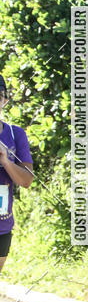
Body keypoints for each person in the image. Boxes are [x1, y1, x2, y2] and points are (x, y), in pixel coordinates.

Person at [0, 74, 34, 273]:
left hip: (2, 225)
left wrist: (5, 160)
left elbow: (27, 180)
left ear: (4, 100)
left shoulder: (15, 134)